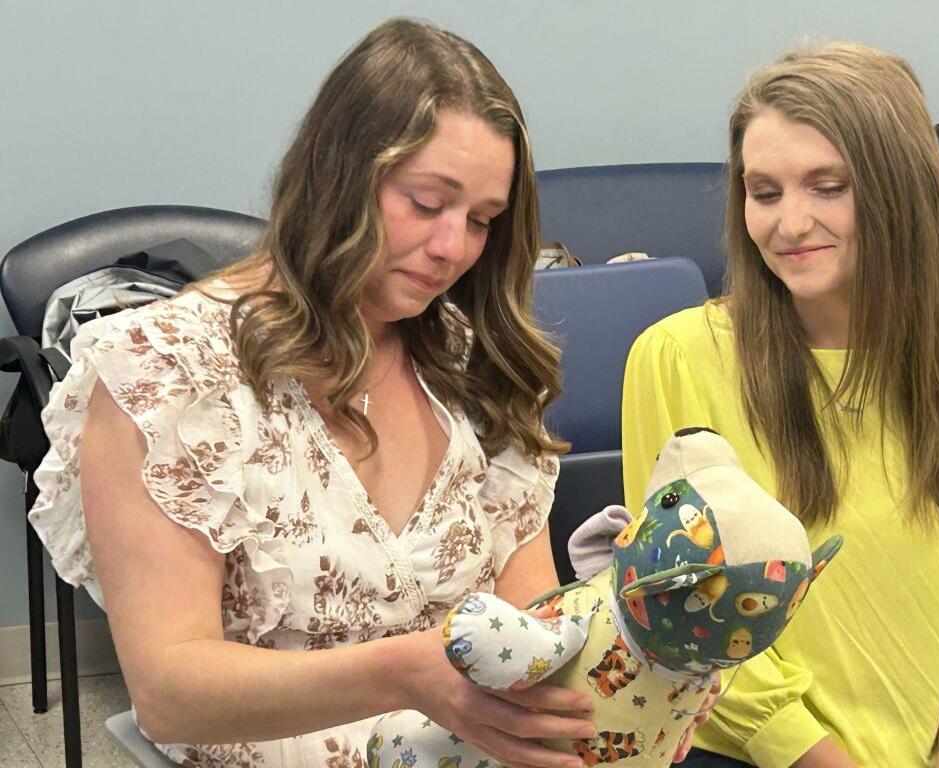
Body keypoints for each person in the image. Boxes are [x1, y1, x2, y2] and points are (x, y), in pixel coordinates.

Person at [29, 18, 598, 768]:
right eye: (427, 203)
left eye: (482, 221)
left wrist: (631, 684)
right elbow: (170, 691)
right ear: (337, 173)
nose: (453, 247)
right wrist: (404, 676)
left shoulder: (464, 361)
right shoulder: (166, 373)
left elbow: (533, 619)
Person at [621, 43, 939, 768]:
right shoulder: (676, 360)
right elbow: (692, 622)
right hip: (749, 752)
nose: (789, 225)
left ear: (901, 193)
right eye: (764, 192)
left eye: (829, 186)